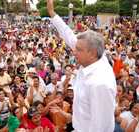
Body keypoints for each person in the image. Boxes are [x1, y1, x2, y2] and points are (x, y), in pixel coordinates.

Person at [47, 0, 117, 131]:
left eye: (78, 49)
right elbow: (69, 36)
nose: (73, 50)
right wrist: (52, 13)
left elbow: (100, 128)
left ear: (92, 53)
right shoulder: (95, 58)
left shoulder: (100, 84)